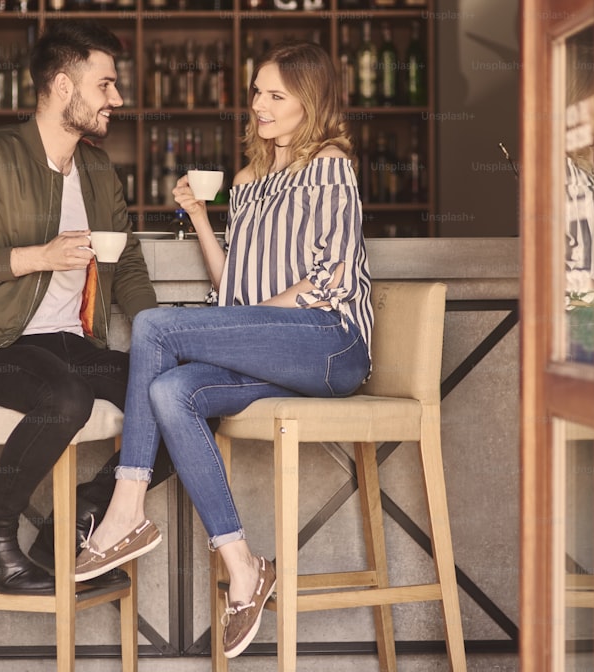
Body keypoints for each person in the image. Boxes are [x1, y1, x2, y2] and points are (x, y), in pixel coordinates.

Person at [73, 40, 374, 658]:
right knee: (170, 390)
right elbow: (230, 286)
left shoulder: (331, 166)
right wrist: (201, 217)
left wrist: (243, 323)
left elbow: (330, 279)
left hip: (329, 344)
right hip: (275, 347)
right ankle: (244, 566)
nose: (258, 105)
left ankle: (125, 507)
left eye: (275, 95)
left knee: (155, 326)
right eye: (257, 91)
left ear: (308, 103)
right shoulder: (247, 180)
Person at [0, 20, 174, 595]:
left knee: (189, 394)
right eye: (106, 85)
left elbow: (128, 262)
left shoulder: (98, 170)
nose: (117, 98)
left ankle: (81, 521)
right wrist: (38, 257)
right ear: (64, 87)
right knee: (68, 398)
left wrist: (158, 335)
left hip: (74, 345)